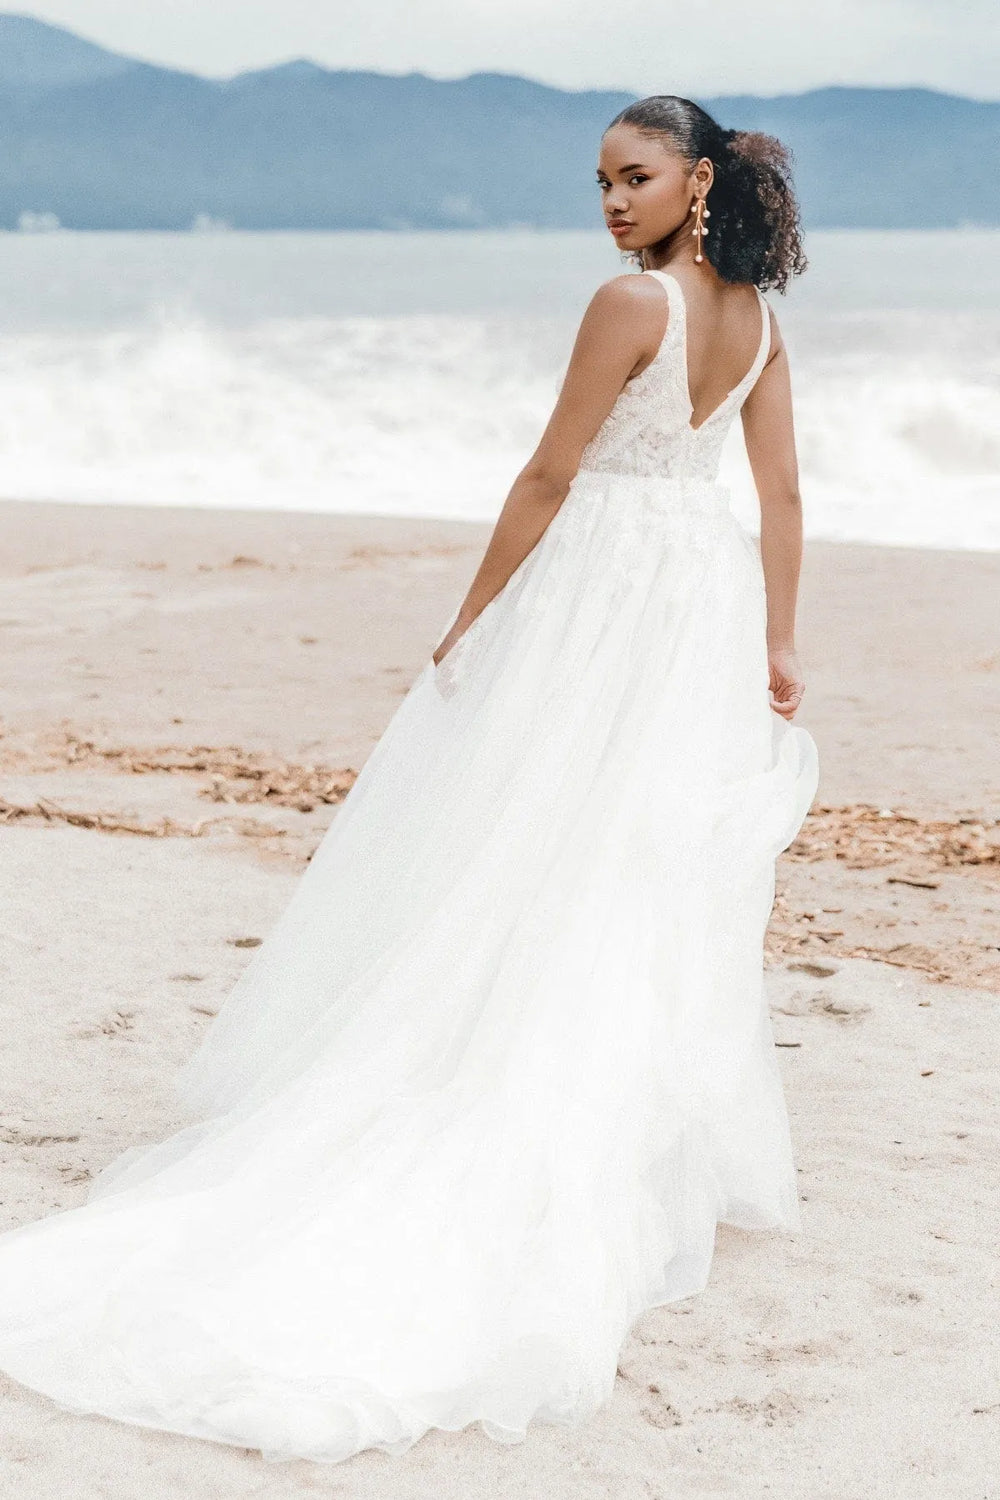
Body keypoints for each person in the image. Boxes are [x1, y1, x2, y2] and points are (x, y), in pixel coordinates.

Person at [0, 94, 819, 1465]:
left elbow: (552, 473)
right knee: (623, 855)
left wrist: (476, 612)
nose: (611, 202)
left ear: (697, 182)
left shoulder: (633, 305)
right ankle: (601, 1120)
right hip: (697, 601)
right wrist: (781, 635)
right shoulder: (762, 319)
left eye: (634, 178)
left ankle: (493, 1085)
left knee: (535, 838)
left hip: (605, 592)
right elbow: (781, 496)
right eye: (601, 181)